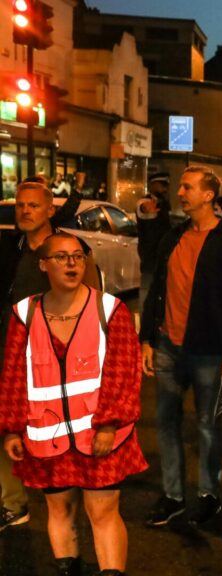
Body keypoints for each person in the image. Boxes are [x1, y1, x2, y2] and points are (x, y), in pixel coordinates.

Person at [0, 232, 146, 576]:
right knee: (59, 510)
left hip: (101, 436)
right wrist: (10, 429)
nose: (71, 263)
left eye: (78, 256)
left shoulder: (110, 309)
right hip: (46, 435)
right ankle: (69, 569)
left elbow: (124, 372)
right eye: (61, 257)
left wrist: (109, 423)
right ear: (43, 265)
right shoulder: (24, 313)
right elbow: (13, 375)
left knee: (103, 512)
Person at [140, 166, 222, 527]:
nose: (180, 192)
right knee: (167, 424)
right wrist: (147, 338)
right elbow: (156, 288)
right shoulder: (173, 237)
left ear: (209, 196)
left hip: (208, 351)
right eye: (181, 186)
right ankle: (173, 496)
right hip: (169, 348)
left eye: (188, 187)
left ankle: (209, 495)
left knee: (207, 426)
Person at [0, 181, 101, 532]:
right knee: (6, 427)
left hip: (52, 359)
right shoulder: (9, 247)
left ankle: (67, 505)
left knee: (53, 430)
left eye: (33, 205)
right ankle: (13, 504)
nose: (25, 211)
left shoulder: (70, 250)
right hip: (9, 352)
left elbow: (92, 304)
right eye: (20, 205)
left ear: (49, 211)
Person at [136, 173, 172, 306]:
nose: (165, 189)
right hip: (150, 257)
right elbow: (143, 209)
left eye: (166, 186)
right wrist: (146, 210)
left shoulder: (163, 204)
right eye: (161, 185)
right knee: (147, 291)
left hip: (163, 256)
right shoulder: (145, 202)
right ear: (152, 185)